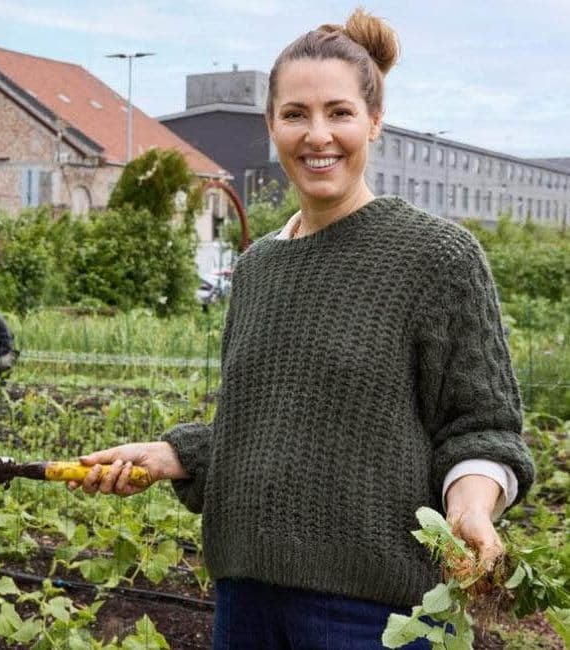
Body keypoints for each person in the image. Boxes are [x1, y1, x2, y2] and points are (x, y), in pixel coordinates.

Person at [73, 9, 535, 649]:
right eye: (296, 115)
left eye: (339, 112)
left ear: (375, 121)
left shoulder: (438, 258)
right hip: (245, 598)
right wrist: (174, 456)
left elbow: (482, 426)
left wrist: (472, 507)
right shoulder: (259, 265)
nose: (318, 135)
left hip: (373, 614)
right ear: (271, 127)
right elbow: (271, 419)